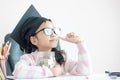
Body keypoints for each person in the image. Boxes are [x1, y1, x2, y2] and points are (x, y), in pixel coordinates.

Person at [13, 17, 92, 79]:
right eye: (48, 31)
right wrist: (50, 71)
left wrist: (80, 43)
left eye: (54, 30)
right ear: (34, 40)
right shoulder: (29, 59)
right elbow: (18, 71)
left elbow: (84, 71)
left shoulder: (62, 57)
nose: (53, 34)